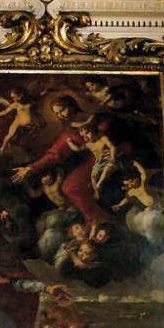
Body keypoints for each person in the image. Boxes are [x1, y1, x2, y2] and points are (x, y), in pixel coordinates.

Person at [12, 96, 112, 230]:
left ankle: (99, 220)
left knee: (73, 185)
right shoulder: (68, 132)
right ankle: (96, 219)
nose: (61, 115)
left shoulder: (97, 118)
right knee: (69, 186)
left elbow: (111, 132)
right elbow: (54, 154)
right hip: (95, 158)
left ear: (72, 105)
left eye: (62, 110)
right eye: (57, 113)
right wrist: (30, 168)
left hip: (111, 153)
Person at [66, 117, 117, 203]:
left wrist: (112, 157)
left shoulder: (103, 138)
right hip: (99, 162)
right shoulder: (89, 144)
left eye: (87, 133)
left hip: (108, 159)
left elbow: (112, 147)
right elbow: (77, 149)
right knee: (93, 176)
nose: (85, 136)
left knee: (105, 173)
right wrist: (69, 142)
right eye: (83, 135)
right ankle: (97, 191)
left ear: (93, 130)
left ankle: (99, 185)